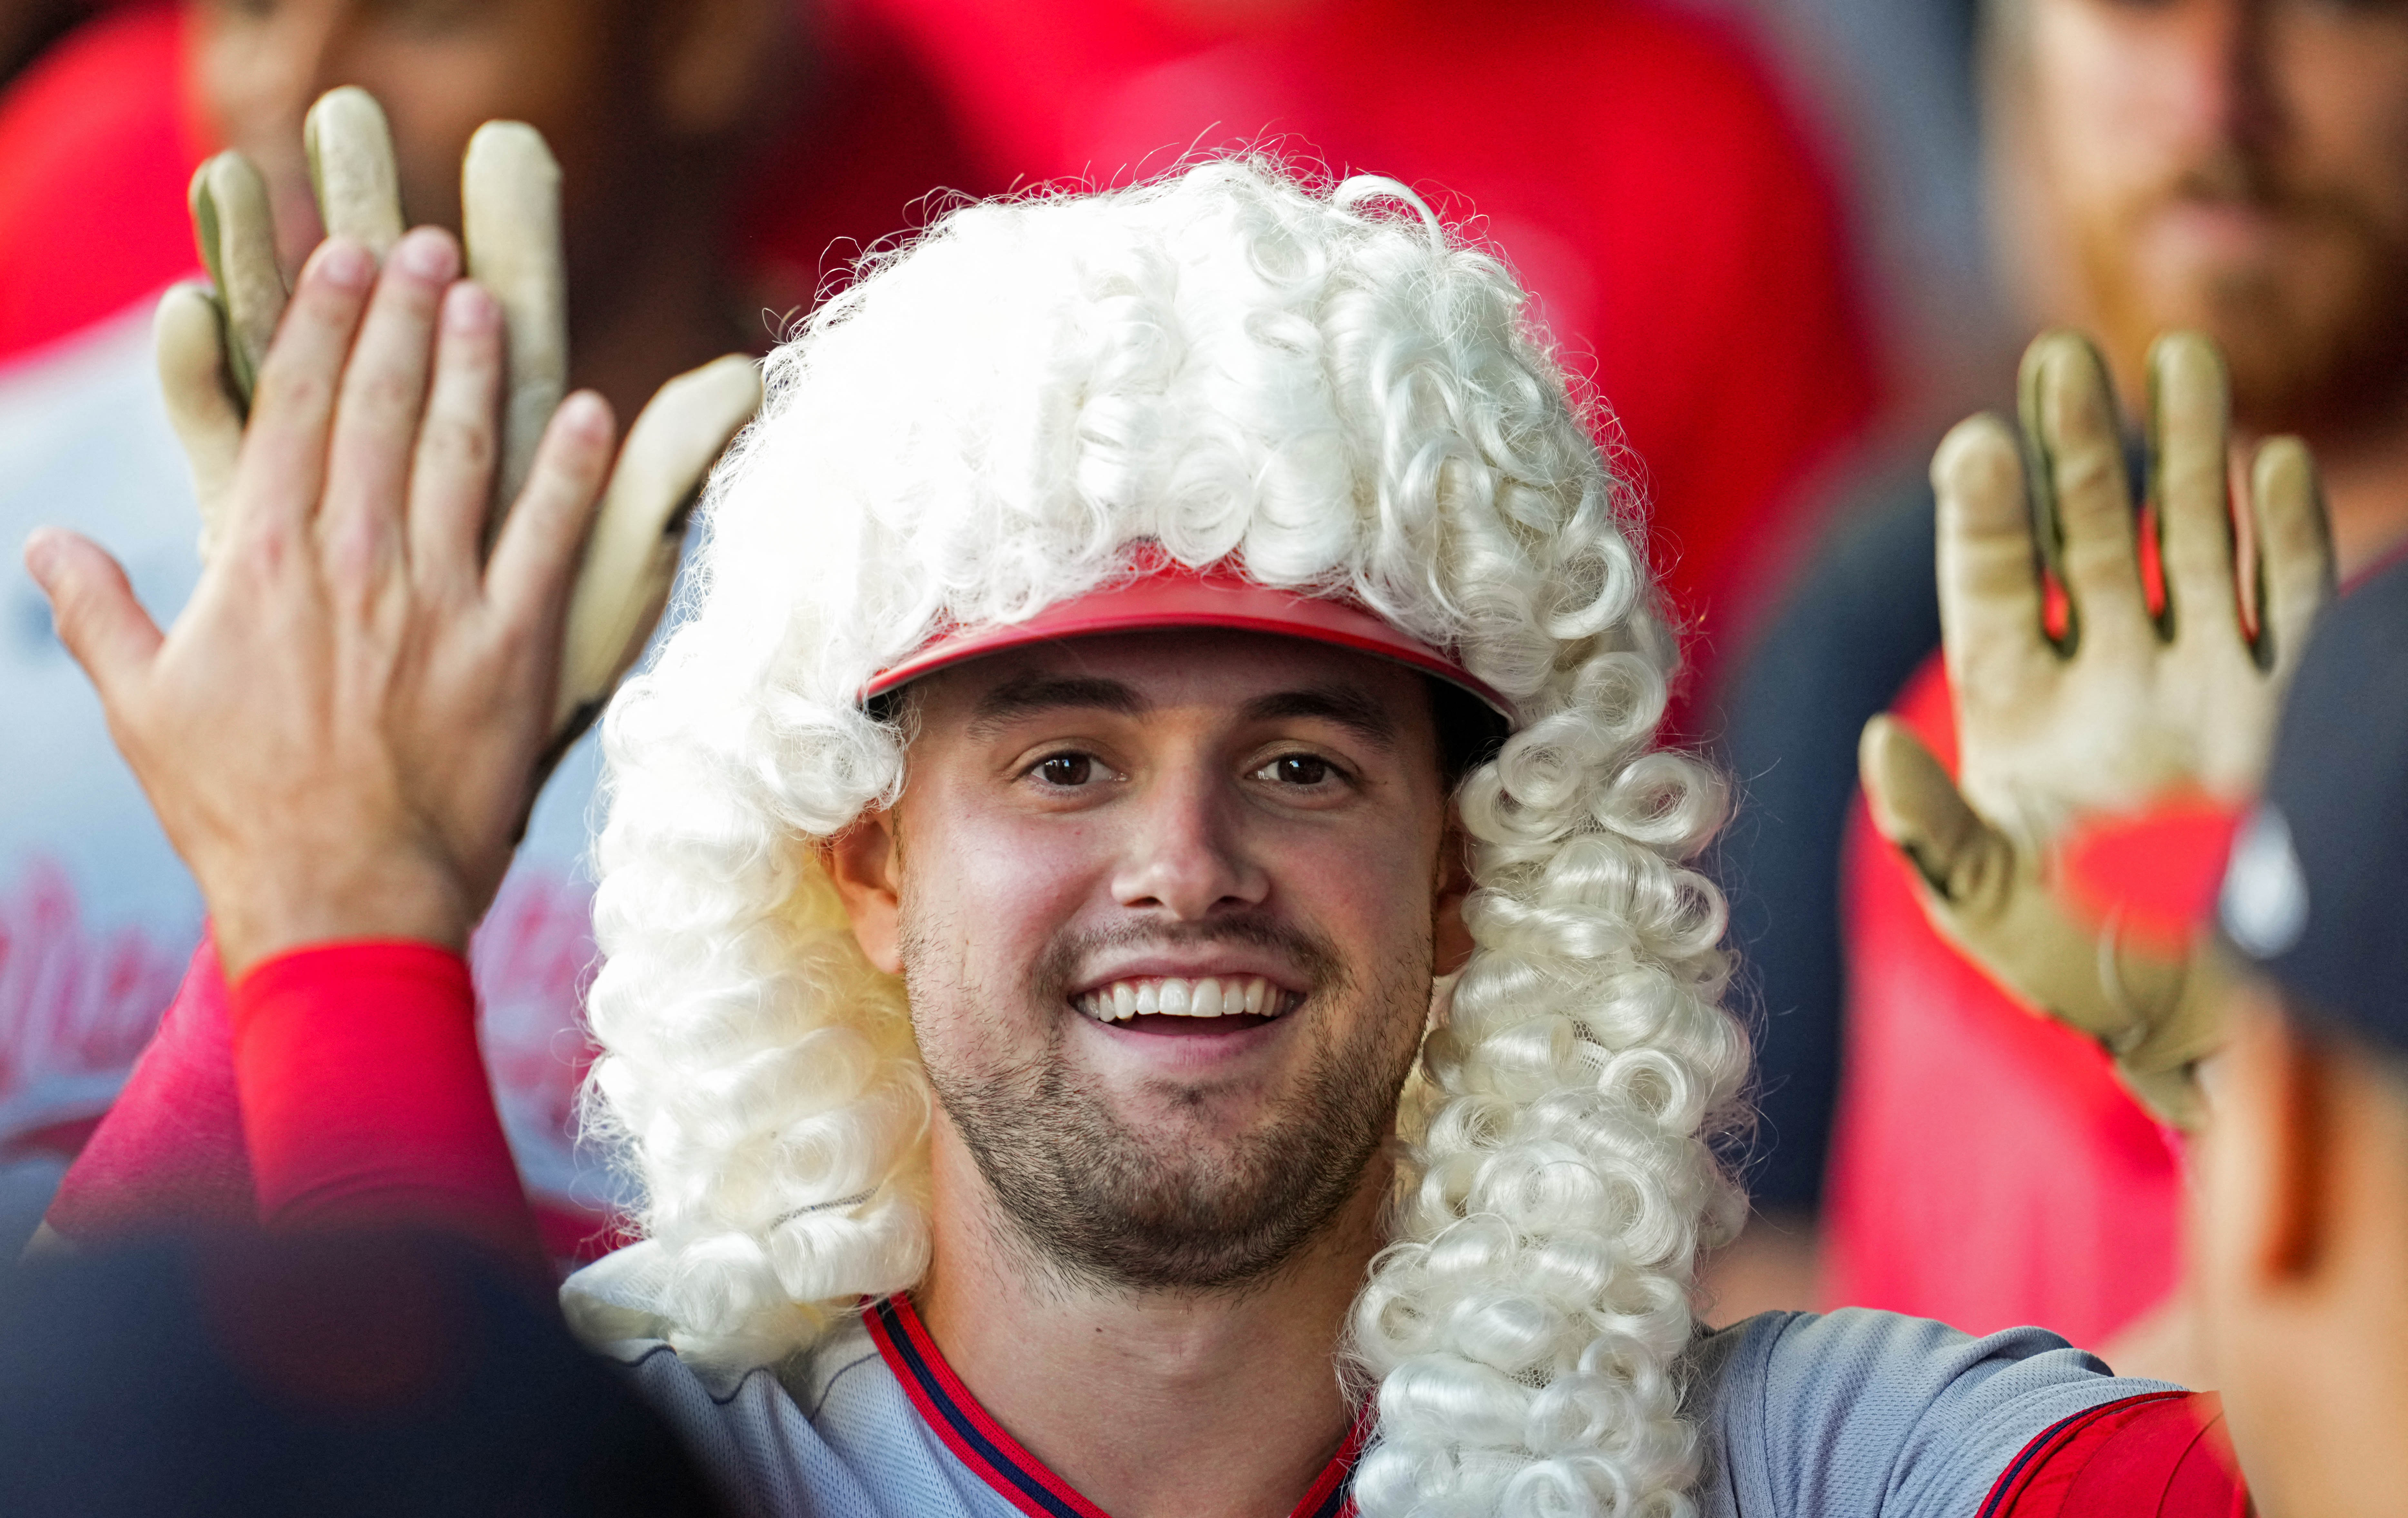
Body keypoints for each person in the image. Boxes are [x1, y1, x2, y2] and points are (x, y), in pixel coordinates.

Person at [26, 154, 2248, 1515]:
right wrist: (318, 913)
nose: (1186, 862)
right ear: (866, 865)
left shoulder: (1801, 1469)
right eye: (1061, 761)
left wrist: (2287, 1090)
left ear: (1470, 873)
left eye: (1303, 761)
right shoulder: (637, 1456)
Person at [0, 0, 976, 1256]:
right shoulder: (26, 493)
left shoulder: (943, 587)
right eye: (246, 10)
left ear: (707, 36)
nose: (299, 91)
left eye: (428, 15)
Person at [1712, 0, 2408, 1363]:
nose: (2216, 101)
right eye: (2134, 7)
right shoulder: (1887, 610)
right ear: (2019, 75)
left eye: (2334, 5)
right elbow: (1753, 1300)